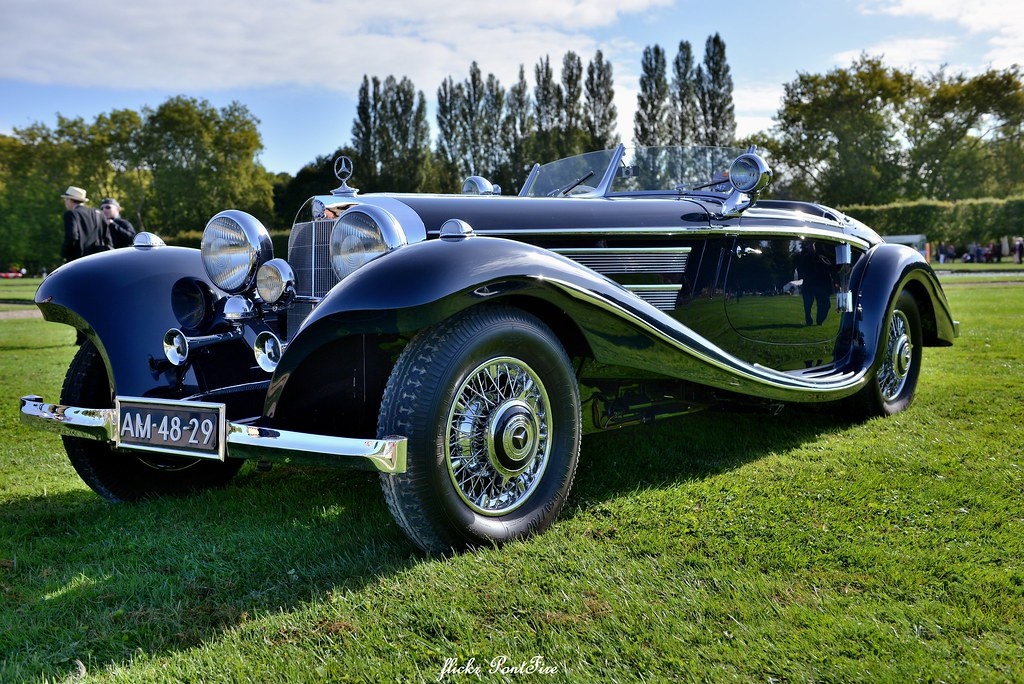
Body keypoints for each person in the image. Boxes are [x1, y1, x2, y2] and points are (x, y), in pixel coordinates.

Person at [60, 185, 109, 261]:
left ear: (70, 200)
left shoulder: (71, 214)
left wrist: (64, 253)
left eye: (65, 200)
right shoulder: (98, 213)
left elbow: (72, 236)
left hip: (79, 260)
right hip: (98, 259)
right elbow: (107, 238)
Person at [795, 241, 833, 326]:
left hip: (821, 285)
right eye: (810, 246)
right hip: (809, 285)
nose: (811, 248)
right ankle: (808, 319)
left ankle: (820, 319)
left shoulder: (822, 258)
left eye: (812, 246)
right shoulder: (805, 259)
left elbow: (829, 268)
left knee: (826, 304)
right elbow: (800, 269)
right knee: (807, 305)